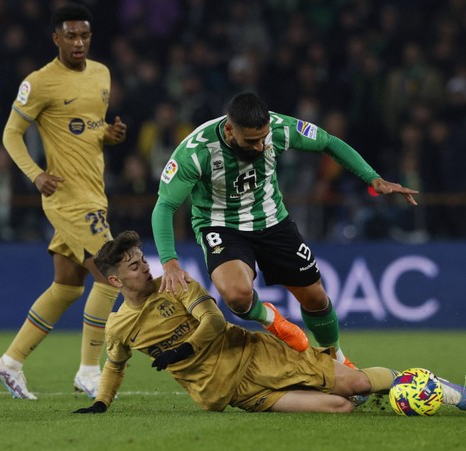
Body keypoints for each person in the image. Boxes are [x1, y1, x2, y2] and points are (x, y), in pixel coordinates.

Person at [73, 230, 466, 414]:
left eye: (141, 261)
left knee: (357, 383)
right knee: (341, 408)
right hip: (233, 394)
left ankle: (435, 387)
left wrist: (185, 348)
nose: (144, 269)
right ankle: (355, 384)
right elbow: (115, 362)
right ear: (114, 281)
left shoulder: (174, 282)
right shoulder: (119, 327)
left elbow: (214, 321)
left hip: (255, 356)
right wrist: (101, 403)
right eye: (133, 267)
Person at [151, 92, 418, 368]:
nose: (259, 146)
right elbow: (165, 206)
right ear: (230, 130)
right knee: (237, 296)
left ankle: (335, 358)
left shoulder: (279, 129)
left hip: (272, 221)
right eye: (252, 141)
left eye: (263, 138)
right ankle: (272, 320)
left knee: (315, 298)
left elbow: (329, 142)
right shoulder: (196, 151)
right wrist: (169, 261)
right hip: (220, 224)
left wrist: (373, 179)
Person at [0, 4, 127, 400]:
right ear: (56, 38)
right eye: (71, 35)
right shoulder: (40, 82)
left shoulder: (102, 73)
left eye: (84, 35)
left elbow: (89, 129)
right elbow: (11, 134)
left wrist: (110, 135)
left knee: (67, 286)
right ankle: (88, 371)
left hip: (94, 192)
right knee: (111, 275)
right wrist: (36, 174)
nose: (79, 42)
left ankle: (10, 362)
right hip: (66, 196)